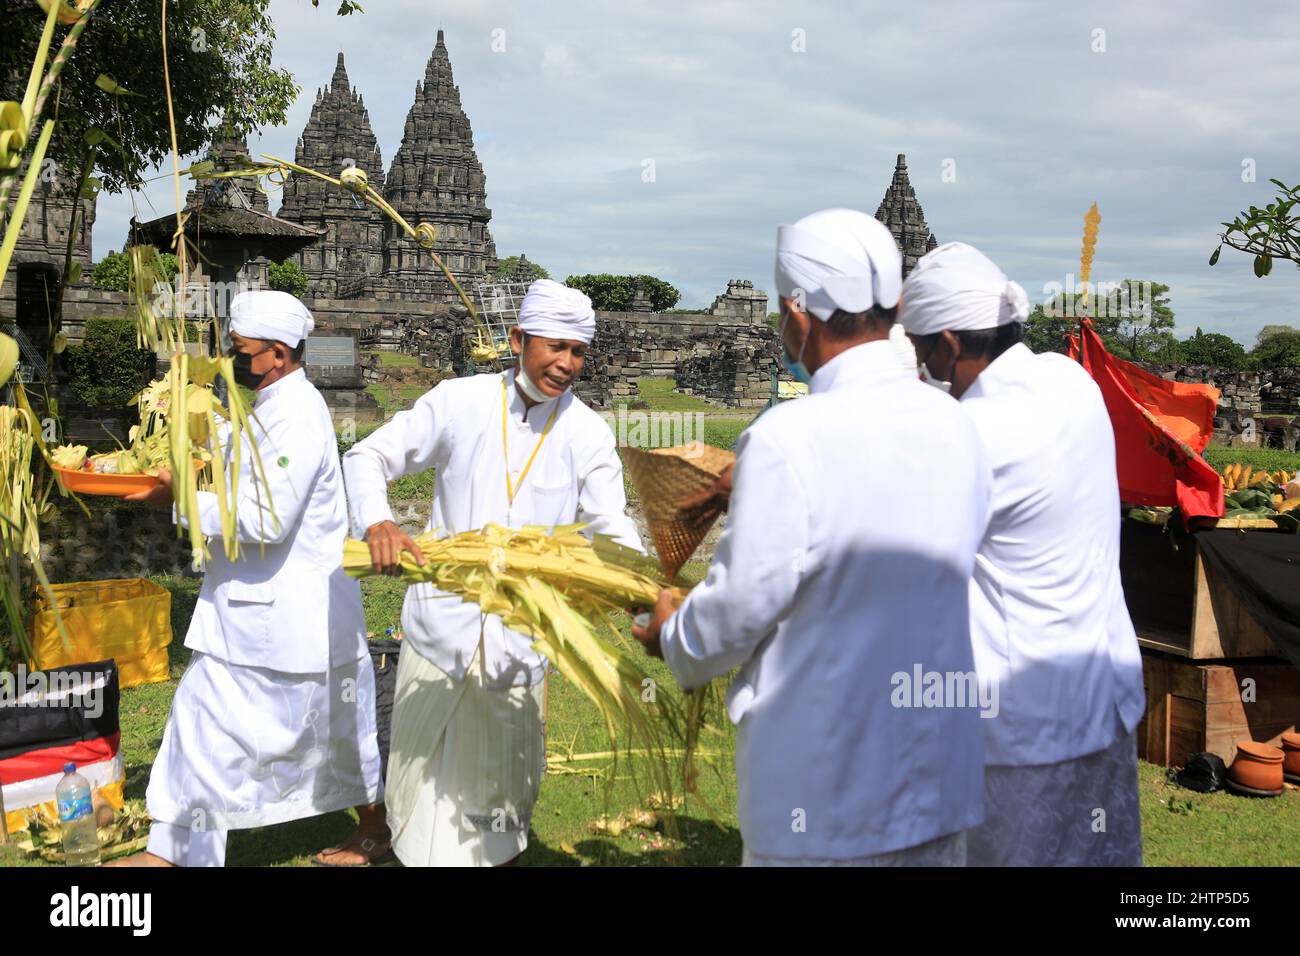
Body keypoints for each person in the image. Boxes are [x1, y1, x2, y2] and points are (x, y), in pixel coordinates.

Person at [633, 209, 992, 865]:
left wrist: (672, 634)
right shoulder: (957, 423)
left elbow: (741, 607)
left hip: (827, 786)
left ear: (798, 317)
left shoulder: (788, 437)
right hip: (938, 773)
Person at [342, 279, 641, 867]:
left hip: (518, 639)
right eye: (555, 346)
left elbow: (611, 524)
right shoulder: (460, 401)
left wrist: (639, 582)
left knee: (500, 803)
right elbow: (368, 455)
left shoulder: (587, 433)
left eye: (578, 352)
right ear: (517, 339)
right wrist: (377, 521)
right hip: (438, 632)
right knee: (418, 786)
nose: (566, 363)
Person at [110, 290, 382, 867]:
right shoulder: (274, 406)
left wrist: (178, 497)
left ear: (278, 354)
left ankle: (376, 830)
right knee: (222, 729)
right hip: (269, 614)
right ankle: (177, 852)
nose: (234, 360)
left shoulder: (298, 415)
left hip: (285, 615)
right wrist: (203, 439)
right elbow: (252, 459)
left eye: (241, 350)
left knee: (329, 738)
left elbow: (266, 519)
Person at [898, 241, 1145, 866]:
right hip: (1102, 689)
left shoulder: (977, 435)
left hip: (1022, 721)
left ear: (949, 344)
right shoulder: (1070, 381)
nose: (923, 365)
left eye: (923, 349)